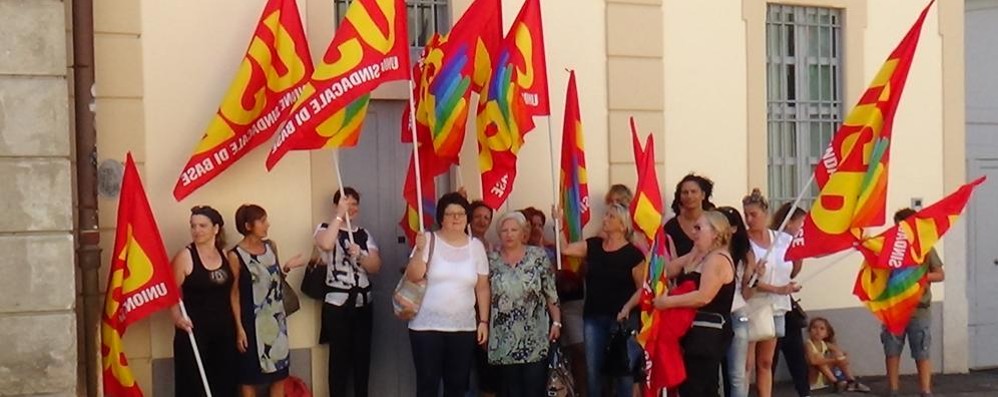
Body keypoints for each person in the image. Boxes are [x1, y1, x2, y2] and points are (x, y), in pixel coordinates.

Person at [404, 193, 491, 397]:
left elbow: (482, 287)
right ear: (441, 217)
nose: (456, 218)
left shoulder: (476, 247)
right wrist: (419, 250)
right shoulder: (429, 239)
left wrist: (484, 321)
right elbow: (413, 275)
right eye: (450, 213)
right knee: (427, 385)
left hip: (463, 327)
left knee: (457, 385)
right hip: (426, 327)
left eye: (461, 213)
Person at [560, 204, 645, 397]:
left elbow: (642, 289)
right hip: (594, 317)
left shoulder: (633, 254)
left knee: (623, 370)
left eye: (611, 216)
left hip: (623, 319)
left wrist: (627, 307)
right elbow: (565, 249)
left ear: (623, 225)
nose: (605, 219)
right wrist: (558, 224)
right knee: (593, 370)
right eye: (605, 215)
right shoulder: (594, 246)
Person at [654, 210, 736, 397]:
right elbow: (668, 269)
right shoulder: (701, 256)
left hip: (708, 332)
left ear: (715, 233)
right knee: (700, 388)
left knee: (696, 388)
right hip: (695, 332)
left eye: (699, 228)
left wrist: (667, 302)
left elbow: (703, 297)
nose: (694, 232)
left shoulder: (717, 259)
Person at [228, 204, 306, 397]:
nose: (267, 224)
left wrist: (287, 268)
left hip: (275, 321)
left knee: (279, 375)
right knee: (249, 378)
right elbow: (234, 294)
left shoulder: (270, 247)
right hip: (251, 323)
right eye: (262, 221)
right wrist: (239, 328)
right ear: (248, 225)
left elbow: (274, 280)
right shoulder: (235, 255)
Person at [313, 188, 382, 397]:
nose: (351, 208)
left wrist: (360, 254)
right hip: (337, 305)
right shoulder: (325, 228)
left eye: (354, 204)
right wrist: (338, 217)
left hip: (362, 303)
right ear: (338, 204)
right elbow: (325, 244)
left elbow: (376, 266)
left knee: (362, 359)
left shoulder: (364, 234)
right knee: (338, 360)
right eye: (347, 203)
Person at [487, 211, 561, 397]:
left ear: (522, 233)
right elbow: (483, 294)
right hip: (503, 338)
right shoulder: (491, 260)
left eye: (514, 229)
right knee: (509, 391)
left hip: (534, 335)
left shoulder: (537, 256)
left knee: (534, 390)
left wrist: (557, 322)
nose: (509, 234)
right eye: (504, 230)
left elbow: (550, 291)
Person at [172, 205, 237, 397]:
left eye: (202, 225)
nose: (197, 231)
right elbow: (172, 294)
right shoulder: (185, 256)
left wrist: (239, 328)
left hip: (224, 332)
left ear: (216, 229)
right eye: (193, 226)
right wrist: (177, 318)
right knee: (194, 387)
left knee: (224, 384)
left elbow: (233, 293)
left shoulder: (225, 255)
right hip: (194, 333)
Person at [743, 189, 800, 397]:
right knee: (747, 361)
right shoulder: (745, 242)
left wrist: (800, 256)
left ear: (765, 214)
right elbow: (749, 280)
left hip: (777, 305)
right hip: (754, 305)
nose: (749, 219)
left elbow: (791, 269)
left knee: (766, 360)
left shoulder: (782, 239)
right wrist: (779, 288)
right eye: (746, 215)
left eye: (753, 215)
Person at [883, 208, 945, 397]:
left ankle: (925, 390)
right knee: (892, 349)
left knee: (922, 349)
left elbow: (940, 274)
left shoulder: (925, 247)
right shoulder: (889, 247)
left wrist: (919, 277)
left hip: (919, 308)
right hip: (895, 307)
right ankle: (893, 389)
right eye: (897, 226)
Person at [769, 202, 813, 397]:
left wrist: (799, 254)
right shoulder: (773, 241)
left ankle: (804, 391)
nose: (803, 228)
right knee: (769, 356)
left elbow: (792, 272)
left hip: (785, 304)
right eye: (801, 223)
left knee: (795, 352)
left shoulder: (792, 243)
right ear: (789, 222)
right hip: (769, 303)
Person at [716, 206, 755, 397]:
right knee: (717, 373)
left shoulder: (745, 253)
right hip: (716, 314)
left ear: (733, 228)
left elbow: (747, 293)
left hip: (737, 312)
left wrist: (754, 277)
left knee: (737, 373)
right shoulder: (709, 250)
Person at [467, 200, 499, 397]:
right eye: (477, 216)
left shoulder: (492, 247)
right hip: (463, 312)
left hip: (484, 314)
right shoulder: (461, 243)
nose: (482, 220)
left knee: (485, 368)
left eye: (486, 217)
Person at [805, 317, 871, 393]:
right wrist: (834, 360)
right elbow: (813, 361)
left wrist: (843, 357)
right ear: (809, 331)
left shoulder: (825, 344)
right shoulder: (808, 344)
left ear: (826, 334)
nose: (818, 331)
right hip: (813, 379)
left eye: (822, 328)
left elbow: (840, 352)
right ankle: (836, 382)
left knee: (838, 355)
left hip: (824, 378)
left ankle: (851, 381)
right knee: (819, 358)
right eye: (814, 328)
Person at [663, 173, 716, 257]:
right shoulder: (671, 227)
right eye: (685, 192)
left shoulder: (715, 222)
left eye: (693, 192)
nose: (689, 196)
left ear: (703, 195)